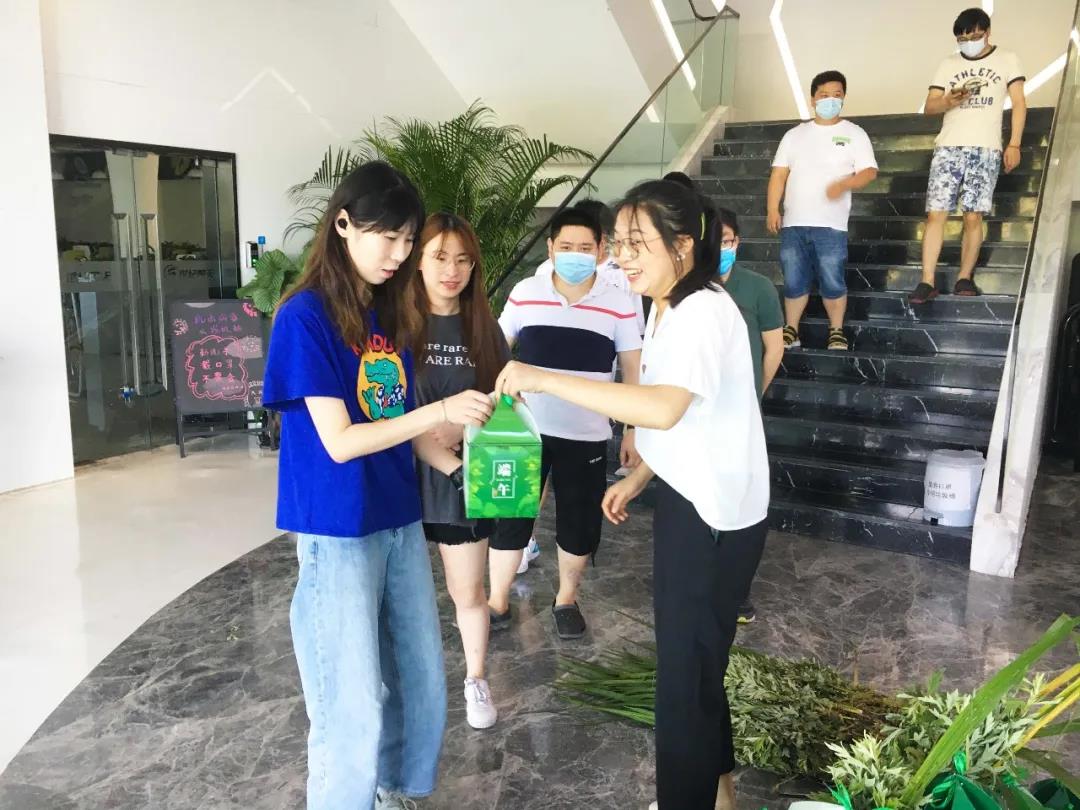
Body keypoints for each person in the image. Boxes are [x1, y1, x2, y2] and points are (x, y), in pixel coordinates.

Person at [495, 179, 770, 810]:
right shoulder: (668, 303)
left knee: (683, 678)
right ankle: (721, 797)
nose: (620, 256)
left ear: (682, 244)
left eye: (635, 243)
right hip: (693, 499)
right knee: (696, 667)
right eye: (617, 242)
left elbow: (663, 406)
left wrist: (544, 378)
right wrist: (642, 475)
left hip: (714, 517)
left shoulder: (702, 311)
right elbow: (694, 414)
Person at [262, 162, 494, 810]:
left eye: (407, 240)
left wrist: (461, 472)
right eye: (388, 237)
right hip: (338, 527)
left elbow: (397, 424)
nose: (399, 254)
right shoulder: (304, 318)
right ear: (343, 224)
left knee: (420, 682)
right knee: (351, 700)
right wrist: (440, 411)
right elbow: (340, 440)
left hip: (397, 518)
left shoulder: (385, 315)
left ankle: (396, 794)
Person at [492, 206, 642, 640]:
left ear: (601, 250)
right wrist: (497, 391)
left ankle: (566, 600)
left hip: (586, 434)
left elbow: (633, 369)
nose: (575, 254)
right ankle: (497, 601)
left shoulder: (618, 303)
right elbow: (496, 347)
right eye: (566, 246)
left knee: (578, 522)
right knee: (509, 519)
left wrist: (632, 428)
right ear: (550, 248)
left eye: (584, 247)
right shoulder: (525, 292)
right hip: (522, 431)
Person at [409, 212, 512, 730]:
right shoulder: (393, 325)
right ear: (417, 261)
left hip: (462, 484)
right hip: (400, 478)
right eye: (440, 257)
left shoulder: (484, 330)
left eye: (463, 260)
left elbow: (505, 400)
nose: (452, 271)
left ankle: (476, 678)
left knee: (468, 591)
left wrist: (467, 427)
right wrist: (436, 424)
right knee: (398, 598)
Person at [910, 7, 1026, 303]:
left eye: (974, 36)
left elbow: (1018, 103)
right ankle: (927, 280)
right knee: (935, 214)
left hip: (985, 147)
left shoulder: (1007, 59)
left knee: (973, 216)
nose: (968, 42)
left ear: (987, 32)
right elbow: (930, 106)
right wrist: (948, 101)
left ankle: (965, 277)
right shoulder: (948, 63)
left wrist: (1014, 144)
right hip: (948, 146)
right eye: (962, 38)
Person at [767, 70, 878, 351]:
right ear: (813, 99)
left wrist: (844, 184)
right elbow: (779, 175)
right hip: (794, 222)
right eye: (824, 95)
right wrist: (772, 209)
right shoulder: (794, 135)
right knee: (793, 278)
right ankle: (791, 329)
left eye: (837, 95)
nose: (830, 100)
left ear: (844, 98)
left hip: (831, 224)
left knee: (832, 278)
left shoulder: (854, 133)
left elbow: (869, 172)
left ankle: (836, 331)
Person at [715, 206, 781, 625]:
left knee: (741, 502)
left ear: (737, 242)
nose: (721, 248)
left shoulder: (757, 288)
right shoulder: (688, 290)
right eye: (714, 241)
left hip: (741, 416)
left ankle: (737, 591)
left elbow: (774, 347)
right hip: (696, 414)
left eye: (727, 241)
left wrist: (755, 394)